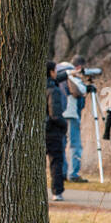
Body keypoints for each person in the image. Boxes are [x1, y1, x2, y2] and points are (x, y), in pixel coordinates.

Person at [61, 59, 87, 183]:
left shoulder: (56, 76)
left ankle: (62, 172)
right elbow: (79, 91)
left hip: (58, 114)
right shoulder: (70, 76)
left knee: (61, 144)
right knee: (75, 144)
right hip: (71, 114)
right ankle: (73, 173)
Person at [46, 60, 66, 202]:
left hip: (41, 130)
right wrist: (64, 125)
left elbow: (57, 78)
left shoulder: (35, 87)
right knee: (56, 162)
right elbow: (55, 114)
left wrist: (69, 74)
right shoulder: (54, 91)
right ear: (52, 72)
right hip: (53, 131)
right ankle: (57, 191)